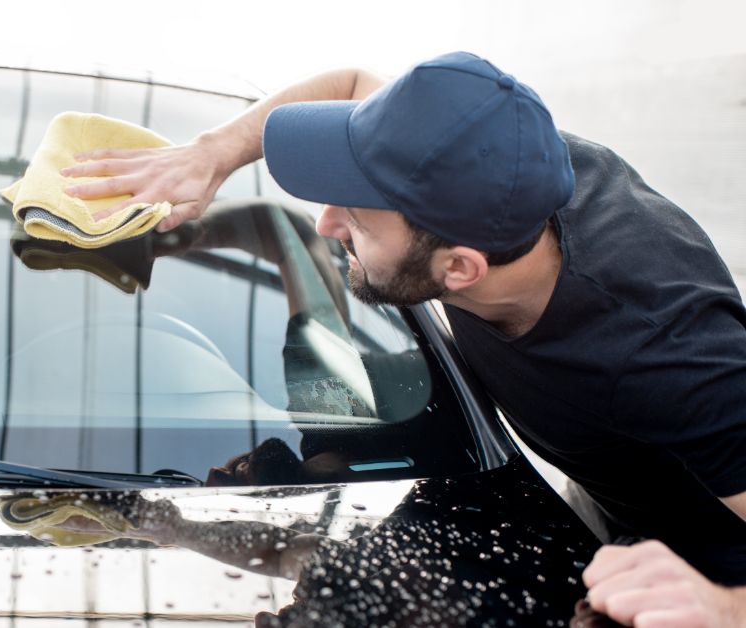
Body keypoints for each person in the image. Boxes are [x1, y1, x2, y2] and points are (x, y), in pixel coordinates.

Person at [60, 51, 746, 626]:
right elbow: (354, 87)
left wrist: (719, 607)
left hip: (690, 578)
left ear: (459, 269)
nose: (327, 223)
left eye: (356, 216)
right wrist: (211, 156)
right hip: (611, 509)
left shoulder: (669, 357)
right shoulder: (494, 168)